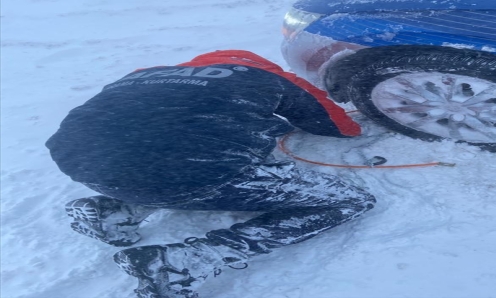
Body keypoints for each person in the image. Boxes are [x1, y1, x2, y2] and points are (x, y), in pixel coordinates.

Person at [46, 50, 376, 298]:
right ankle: (188, 260)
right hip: (187, 169)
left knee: (165, 156)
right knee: (348, 201)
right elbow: (338, 126)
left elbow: (152, 121)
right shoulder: (270, 78)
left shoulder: (145, 74)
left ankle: (113, 209)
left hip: (81, 162)